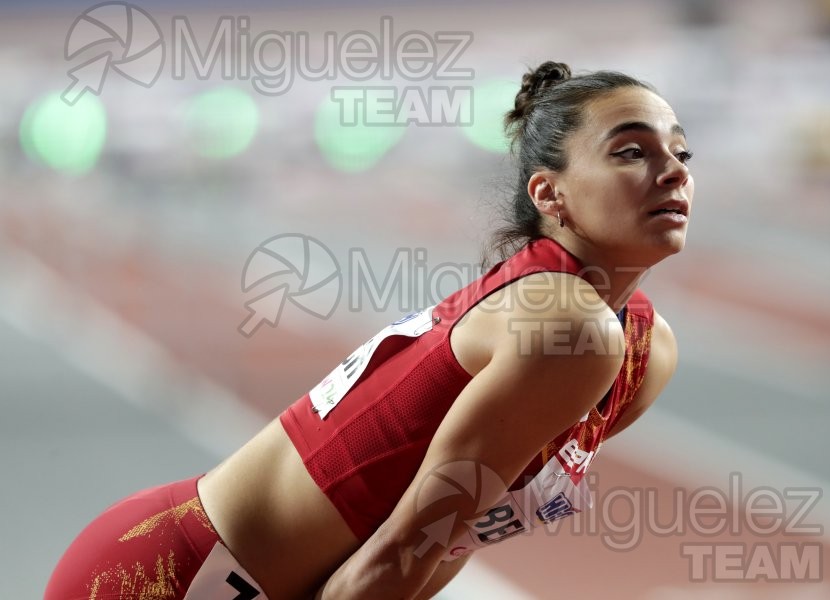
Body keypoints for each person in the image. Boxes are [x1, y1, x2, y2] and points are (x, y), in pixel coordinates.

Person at [45, 60, 694, 600]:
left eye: (680, 151)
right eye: (631, 151)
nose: (674, 171)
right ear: (550, 195)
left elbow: (449, 538)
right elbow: (392, 560)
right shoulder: (567, 327)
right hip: (169, 577)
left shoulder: (641, 348)